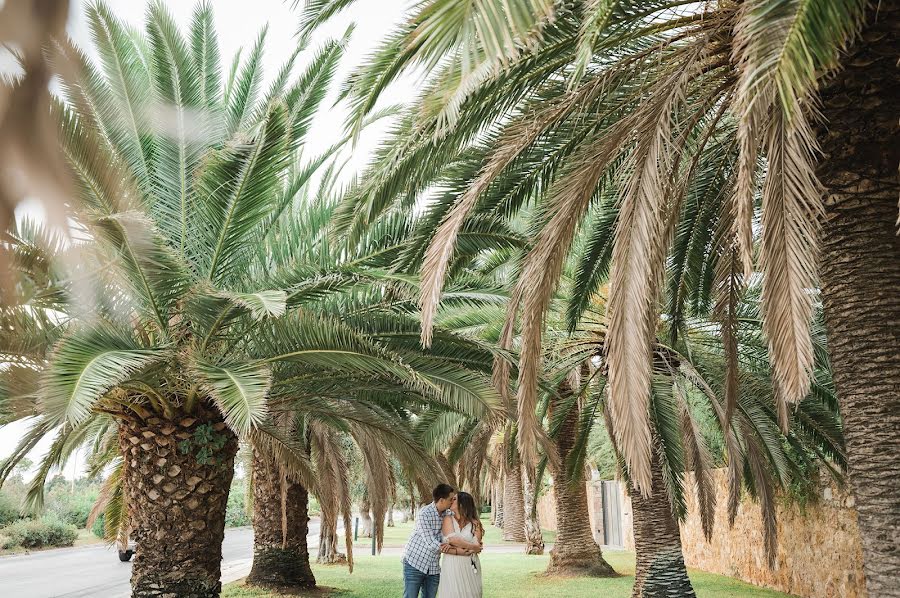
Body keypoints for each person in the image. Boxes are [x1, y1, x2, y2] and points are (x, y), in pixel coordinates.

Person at [403, 484, 483, 598]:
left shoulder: (448, 513)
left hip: (434, 567)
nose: (452, 501)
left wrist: (473, 545)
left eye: (454, 499)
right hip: (415, 563)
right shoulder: (424, 513)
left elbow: (464, 525)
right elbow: (432, 544)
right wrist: (460, 551)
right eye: (451, 499)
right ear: (441, 500)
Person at [438, 491, 484, 598]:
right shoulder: (447, 519)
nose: (450, 501)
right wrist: (474, 547)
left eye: (454, 499)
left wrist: (456, 546)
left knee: (472, 593)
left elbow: (476, 545)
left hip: (470, 565)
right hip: (451, 564)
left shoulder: (475, 523)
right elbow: (453, 540)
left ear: (462, 504)